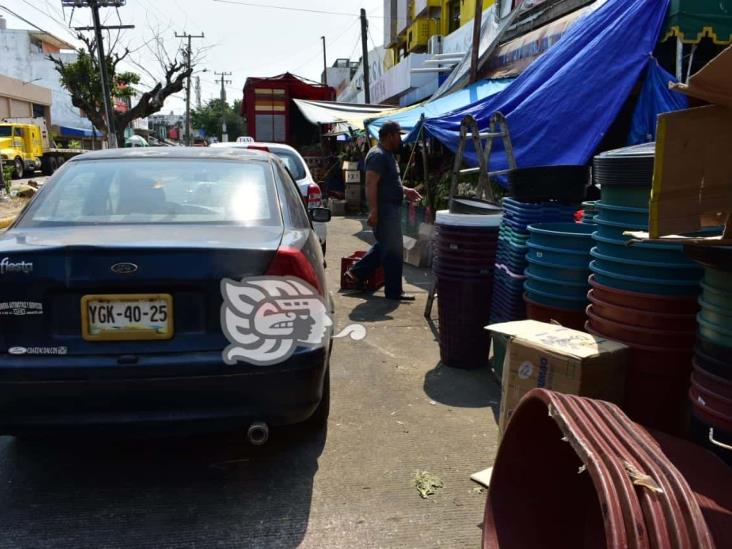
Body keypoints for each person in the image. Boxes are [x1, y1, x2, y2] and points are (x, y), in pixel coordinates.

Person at [344, 121, 422, 301]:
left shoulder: (387, 155)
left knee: (386, 246)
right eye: (398, 135)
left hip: (391, 208)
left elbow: (389, 183)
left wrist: (405, 190)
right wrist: (374, 211)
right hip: (384, 210)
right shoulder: (378, 155)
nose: (400, 139)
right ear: (389, 136)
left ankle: (356, 273)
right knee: (393, 251)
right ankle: (394, 292)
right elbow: (371, 184)